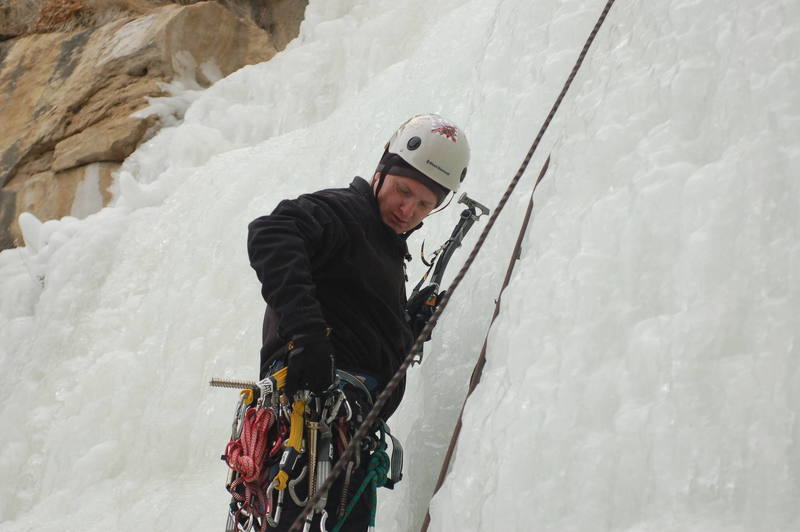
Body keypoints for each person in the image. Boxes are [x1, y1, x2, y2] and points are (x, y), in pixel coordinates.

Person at [246, 114, 470, 531]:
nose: (409, 209)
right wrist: (306, 337)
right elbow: (272, 233)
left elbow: (353, 324)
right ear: (381, 170)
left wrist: (403, 326)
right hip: (311, 425)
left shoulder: (382, 245)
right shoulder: (344, 212)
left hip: (343, 433)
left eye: (425, 204)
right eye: (404, 191)